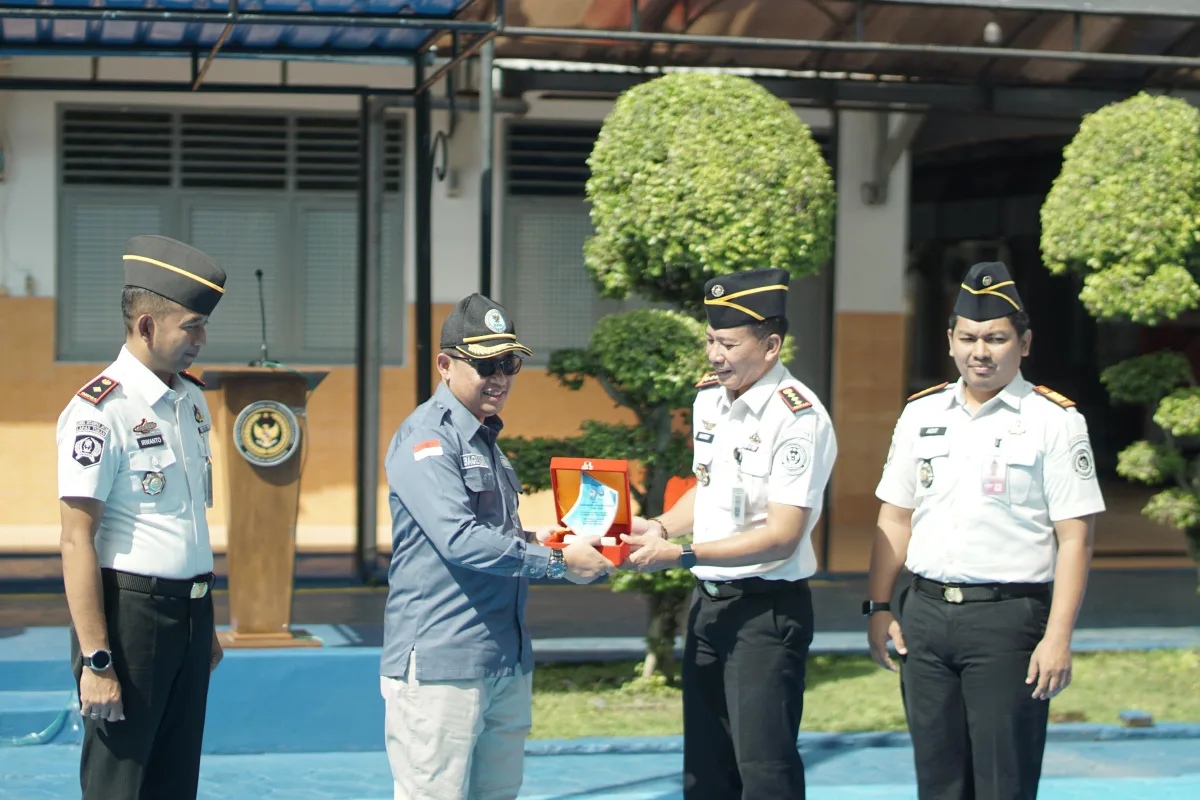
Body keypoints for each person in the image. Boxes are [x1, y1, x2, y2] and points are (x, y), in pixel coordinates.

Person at [865, 261, 1106, 800]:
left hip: (1007, 621)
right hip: (924, 617)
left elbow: (1075, 538)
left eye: (996, 338)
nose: (981, 351)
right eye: (969, 338)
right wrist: (878, 607)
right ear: (950, 340)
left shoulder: (1054, 420)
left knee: (1003, 782)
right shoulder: (921, 413)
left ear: (1024, 343)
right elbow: (894, 517)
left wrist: (1058, 637)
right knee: (938, 781)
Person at [380, 293, 615, 800]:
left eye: (509, 364)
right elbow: (459, 539)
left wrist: (550, 541)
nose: (500, 378)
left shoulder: (484, 439)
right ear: (445, 365)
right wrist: (557, 561)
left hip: (504, 657)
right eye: (485, 364)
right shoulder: (427, 438)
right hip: (444, 662)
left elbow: (494, 534)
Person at [622, 268, 838, 800]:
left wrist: (681, 553)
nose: (715, 355)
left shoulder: (797, 417)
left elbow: (783, 535)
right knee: (706, 771)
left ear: (770, 346)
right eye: (710, 340)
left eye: (728, 344)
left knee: (764, 772)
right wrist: (659, 526)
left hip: (764, 612)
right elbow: (709, 489)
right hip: (709, 606)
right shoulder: (710, 399)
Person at [56, 235, 227, 800]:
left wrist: (203, 621)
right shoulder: (99, 411)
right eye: (192, 327)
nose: (201, 340)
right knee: (120, 786)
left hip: (191, 613)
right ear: (147, 325)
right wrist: (97, 659)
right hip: (130, 621)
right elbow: (77, 539)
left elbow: (186, 521)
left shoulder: (191, 401)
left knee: (175, 783)